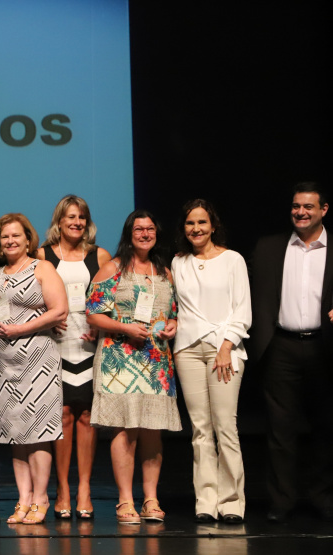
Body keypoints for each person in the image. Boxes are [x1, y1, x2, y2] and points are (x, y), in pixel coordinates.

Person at [86, 209, 180, 524]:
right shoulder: (112, 268)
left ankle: (150, 499)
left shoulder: (164, 272)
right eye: (138, 229)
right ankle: (125, 500)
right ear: (129, 233)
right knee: (125, 427)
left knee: (152, 428)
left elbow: (173, 313)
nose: (144, 234)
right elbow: (93, 314)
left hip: (156, 361)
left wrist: (172, 326)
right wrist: (125, 328)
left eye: (150, 228)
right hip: (120, 358)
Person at [250, 181, 332, 523]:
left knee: (327, 428)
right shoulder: (269, 247)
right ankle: (282, 501)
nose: (301, 212)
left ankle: (323, 498)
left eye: (309, 207)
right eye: (296, 206)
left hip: (325, 347)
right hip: (281, 346)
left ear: (323, 210)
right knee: (280, 430)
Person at [171, 200, 251, 524]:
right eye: (190, 223)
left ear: (213, 225)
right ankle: (206, 500)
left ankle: (232, 502)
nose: (196, 229)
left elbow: (243, 309)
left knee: (225, 426)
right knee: (200, 429)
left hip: (224, 349)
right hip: (187, 349)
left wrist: (225, 346)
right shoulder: (178, 262)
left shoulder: (233, 260)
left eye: (202, 222)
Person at [0, 213, 67, 525]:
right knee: (14, 435)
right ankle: (22, 499)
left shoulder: (42, 267)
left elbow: (59, 310)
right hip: (4, 363)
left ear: (27, 239)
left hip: (38, 361)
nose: (10, 241)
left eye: (16, 236)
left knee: (37, 433)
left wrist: (21, 329)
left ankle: (41, 498)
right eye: (5, 236)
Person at [37, 195, 111, 520]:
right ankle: (63, 488)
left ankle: (84, 488)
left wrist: (100, 326)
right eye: (70, 217)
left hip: (90, 346)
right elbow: (29, 298)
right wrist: (47, 317)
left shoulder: (100, 256)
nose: (76, 222)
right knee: (64, 415)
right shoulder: (41, 255)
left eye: (81, 217)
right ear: (59, 220)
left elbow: (109, 303)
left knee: (87, 418)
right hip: (55, 346)